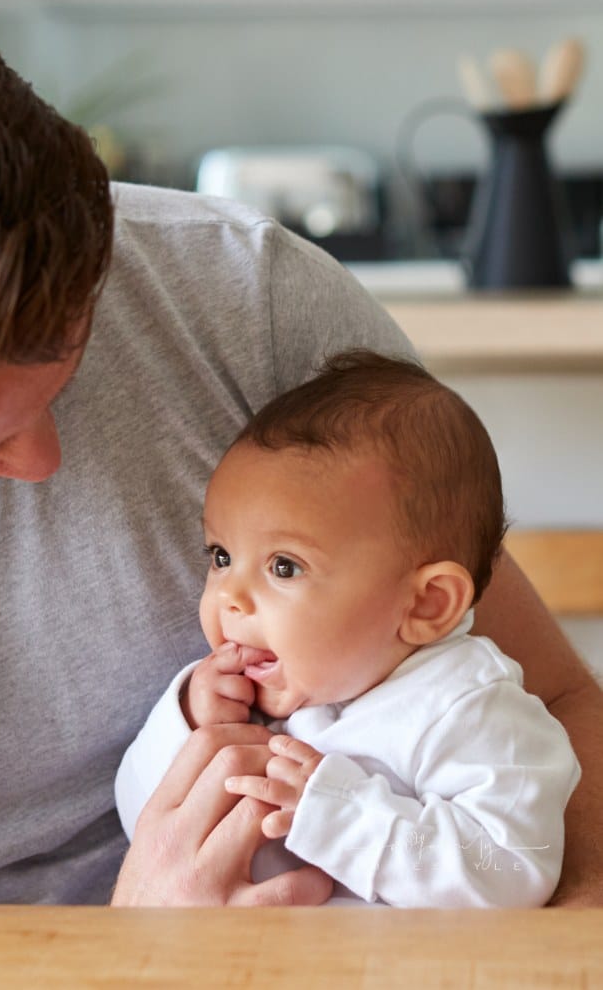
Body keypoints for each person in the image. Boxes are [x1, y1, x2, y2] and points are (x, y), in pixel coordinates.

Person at [0, 0, 599, 905]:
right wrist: (122, 957)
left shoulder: (247, 302)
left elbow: (558, 710)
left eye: (68, 366)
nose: (43, 462)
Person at [115, 351, 581, 907]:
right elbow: (144, 830)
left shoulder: (470, 709)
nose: (230, 596)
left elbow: (511, 867)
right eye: (221, 556)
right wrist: (190, 724)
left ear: (426, 604)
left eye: (284, 566)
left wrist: (339, 816)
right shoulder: (255, 697)